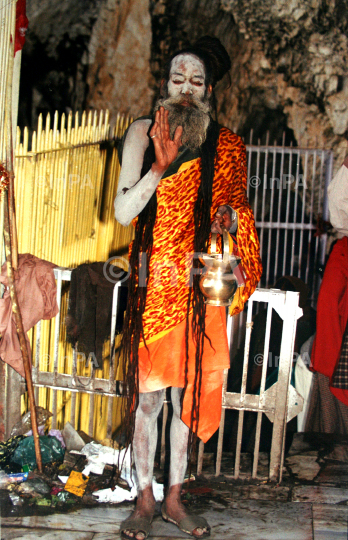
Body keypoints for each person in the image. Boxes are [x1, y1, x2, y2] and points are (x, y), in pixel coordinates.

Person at [114, 36, 262, 540]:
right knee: (150, 400)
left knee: (187, 397)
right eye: (177, 80)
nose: (184, 90)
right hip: (157, 282)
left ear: (209, 90)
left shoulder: (226, 147)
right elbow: (121, 212)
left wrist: (229, 218)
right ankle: (144, 499)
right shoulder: (140, 132)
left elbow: (238, 209)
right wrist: (158, 167)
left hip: (201, 285)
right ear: (164, 84)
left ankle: (175, 498)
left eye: (195, 82)